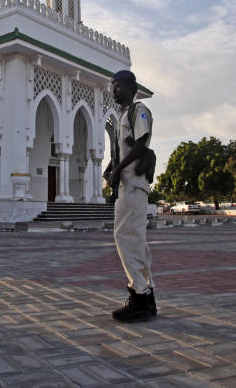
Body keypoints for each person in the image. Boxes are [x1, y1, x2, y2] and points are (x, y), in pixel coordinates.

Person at [104, 70, 156, 322]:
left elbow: (140, 143)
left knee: (125, 237)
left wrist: (119, 169)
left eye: (116, 85)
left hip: (134, 184)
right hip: (126, 185)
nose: (112, 90)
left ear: (128, 87)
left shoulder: (139, 110)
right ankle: (148, 296)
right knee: (136, 240)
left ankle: (139, 296)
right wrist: (111, 168)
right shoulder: (121, 116)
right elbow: (123, 149)